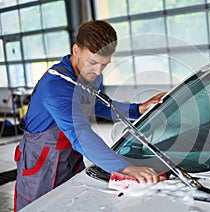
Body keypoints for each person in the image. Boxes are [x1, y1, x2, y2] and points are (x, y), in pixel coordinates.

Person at [14, 20, 166, 211]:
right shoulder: (55, 87)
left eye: (104, 65)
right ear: (76, 50)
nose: (97, 71)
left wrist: (137, 110)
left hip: (70, 156)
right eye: (93, 62)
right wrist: (125, 168)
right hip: (41, 162)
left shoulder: (92, 76)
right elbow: (80, 135)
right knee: (40, 207)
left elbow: (98, 107)